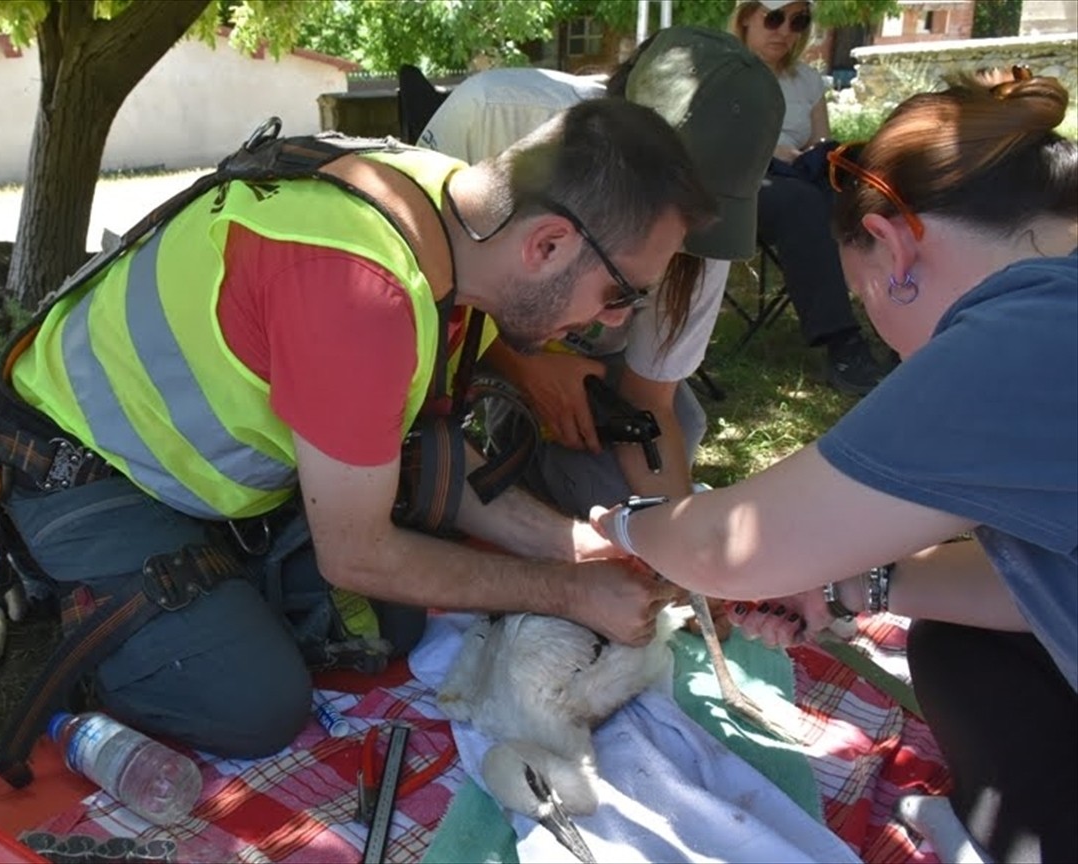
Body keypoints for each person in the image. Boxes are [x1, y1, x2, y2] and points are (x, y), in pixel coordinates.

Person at [0, 98, 716, 762]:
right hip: (77, 469)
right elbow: (357, 554)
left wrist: (575, 549)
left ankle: (211, 600)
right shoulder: (364, 293)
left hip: (209, 481)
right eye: (621, 294)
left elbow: (424, 452)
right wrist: (568, 593)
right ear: (548, 245)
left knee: (391, 630)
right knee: (257, 707)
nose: (614, 322)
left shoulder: (455, 221)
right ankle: (58, 580)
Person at [593, 71, 1077, 863]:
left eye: (862, 299)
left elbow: (731, 547)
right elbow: (1042, 583)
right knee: (958, 648)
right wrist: (855, 585)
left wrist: (627, 523)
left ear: (890, 245)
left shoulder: (1020, 334)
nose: (883, 334)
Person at [419, 27, 783, 525]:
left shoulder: (705, 229)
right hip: (461, 334)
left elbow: (651, 399)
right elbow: (417, 284)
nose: (619, 314)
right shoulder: (492, 113)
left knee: (680, 428)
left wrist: (680, 548)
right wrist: (524, 368)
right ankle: (511, 481)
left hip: (591, 368)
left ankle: (537, 483)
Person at [731, 0, 887, 394]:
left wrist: (819, 155)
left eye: (798, 21)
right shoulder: (724, 72)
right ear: (747, 16)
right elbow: (714, 143)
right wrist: (769, 152)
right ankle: (843, 344)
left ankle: (898, 322)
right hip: (741, 182)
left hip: (799, 177)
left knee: (873, 200)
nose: (785, 30)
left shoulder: (806, 79)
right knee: (804, 204)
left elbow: (821, 139)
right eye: (774, 17)